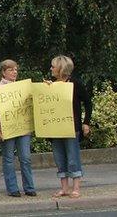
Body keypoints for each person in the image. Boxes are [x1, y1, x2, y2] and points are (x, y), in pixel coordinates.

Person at [0, 59, 37, 197]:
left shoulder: (23, 88)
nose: (14, 72)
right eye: (11, 69)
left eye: (16, 69)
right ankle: (12, 188)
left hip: (23, 128)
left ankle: (29, 187)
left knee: (26, 158)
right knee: (9, 159)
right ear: (3, 72)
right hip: (7, 129)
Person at [48, 55, 92, 199]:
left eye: (53, 66)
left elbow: (87, 102)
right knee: (59, 157)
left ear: (61, 68)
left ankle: (76, 187)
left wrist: (86, 122)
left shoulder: (75, 83)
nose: (51, 69)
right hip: (55, 127)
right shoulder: (51, 85)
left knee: (73, 157)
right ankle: (64, 188)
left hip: (71, 126)